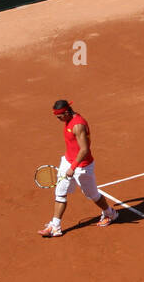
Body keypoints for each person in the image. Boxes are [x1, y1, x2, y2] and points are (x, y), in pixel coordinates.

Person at [37, 100, 119, 237]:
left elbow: (85, 149)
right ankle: (55, 226)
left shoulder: (78, 125)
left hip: (83, 166)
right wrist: (69, 166)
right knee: (60, 192)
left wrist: (73, 167)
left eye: (59, 117)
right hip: (67, 161)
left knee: (93, 195)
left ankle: (111, 214)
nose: (58, 120)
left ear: (67, 112)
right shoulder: (68, 120)